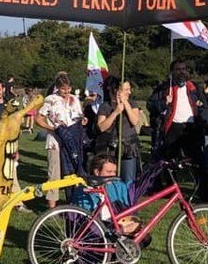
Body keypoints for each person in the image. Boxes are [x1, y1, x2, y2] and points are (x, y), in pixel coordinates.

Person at [155, 59, 208, 201]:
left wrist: (201, 121)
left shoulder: (194, 88)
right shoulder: (164, 88)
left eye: (184, 69)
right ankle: (170, 191)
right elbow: (152, 105)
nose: (182, 72)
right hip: (173, 127)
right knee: (168, 161)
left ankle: (205, 194)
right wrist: (163, 102)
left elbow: (205, 107)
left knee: (199, 161)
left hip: (190, 128)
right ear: (172, 72)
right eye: (178, 69)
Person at [36, 72, 85, 204]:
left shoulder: (75, 99)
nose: (66, 91)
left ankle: (73, 201)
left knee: (73, 171)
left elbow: (79, 116)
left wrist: (82, 120)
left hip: (71, 140)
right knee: (55, 174)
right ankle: (52, 206)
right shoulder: (50, 100)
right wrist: (52, 129)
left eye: (68, 88)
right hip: (55, 142)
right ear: (57, 87)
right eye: (63, 88)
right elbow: (38, 119)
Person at [93, 77, 141, 184]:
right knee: (110, 179)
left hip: (128, 147)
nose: (129, 92)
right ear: (117, 91)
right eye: (126, 90)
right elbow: (102, 127)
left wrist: (126, 104)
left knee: (128, 179)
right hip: (110, 147)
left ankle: (127, 199)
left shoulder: (132, 104)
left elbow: (134, 121)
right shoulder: (105, 106)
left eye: (129, 89)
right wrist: (115, 112)